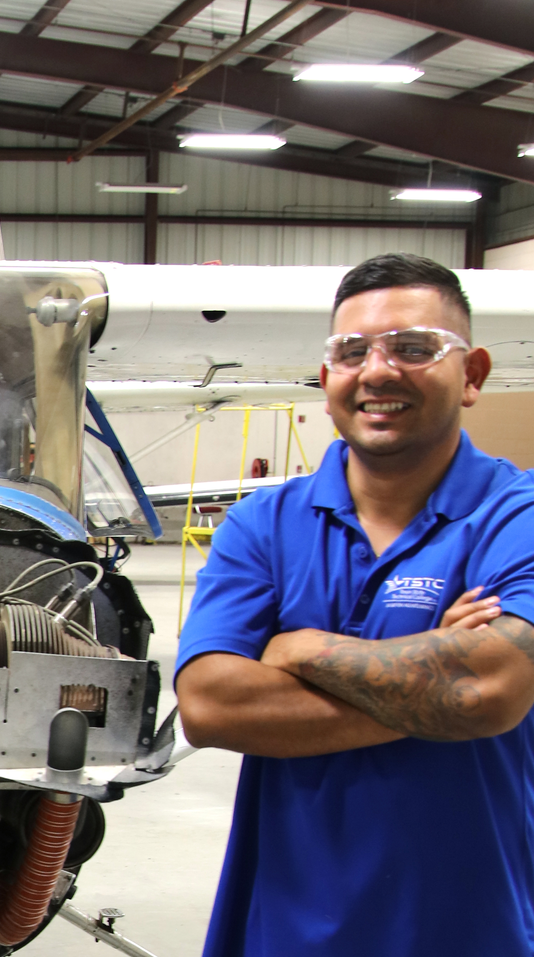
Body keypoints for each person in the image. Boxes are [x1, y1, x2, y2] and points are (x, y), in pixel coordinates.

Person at [175, 252, 534, 955]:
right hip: (285, 929)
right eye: (353, 350)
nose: (378, 370)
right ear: (328, 376)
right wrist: (436, 679)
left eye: (414, 348)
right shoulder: (263, 525)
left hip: (469, 925)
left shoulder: (515, 513)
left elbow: (490, 688)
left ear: (474, 375)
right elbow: (211, 705)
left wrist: (298, 650)